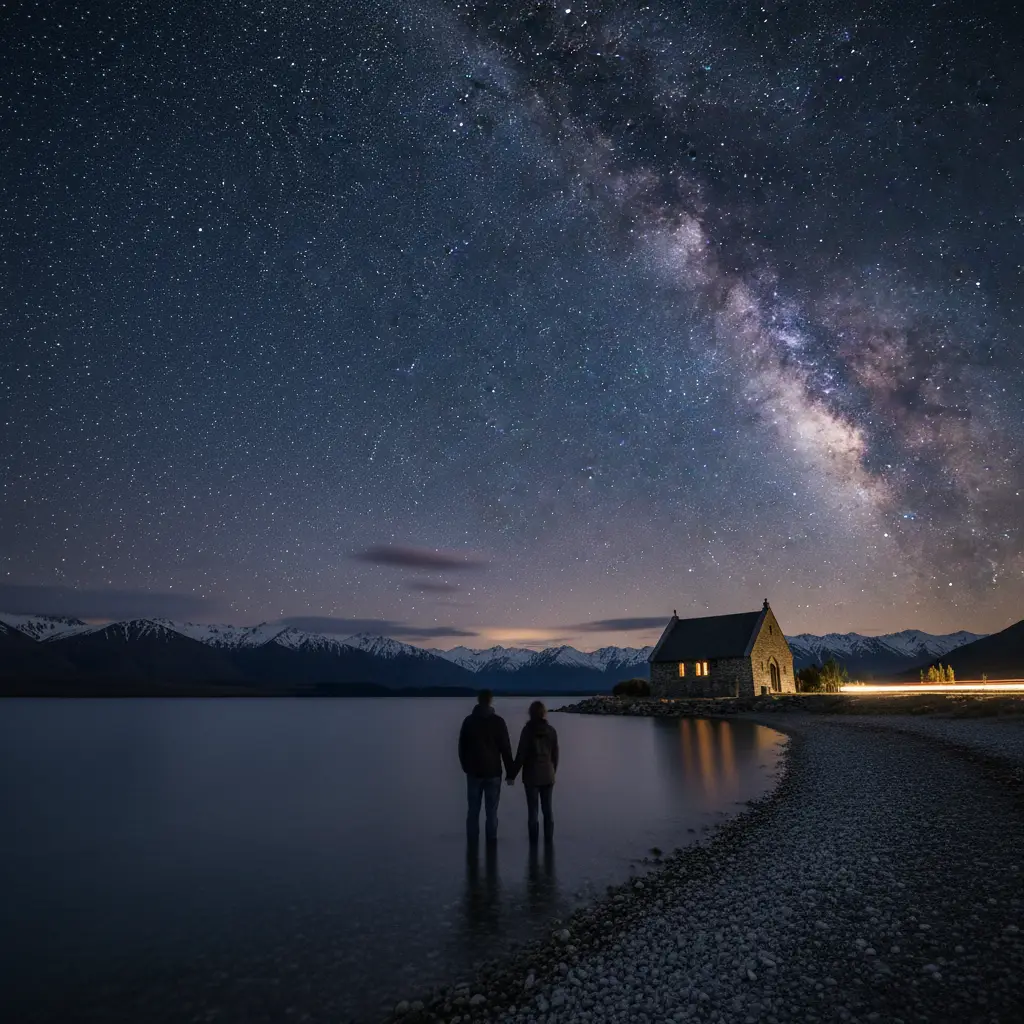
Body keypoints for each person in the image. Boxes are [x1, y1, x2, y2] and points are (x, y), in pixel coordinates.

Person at [458, 690, 514, 844]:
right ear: (491, 701)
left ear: (478, 700)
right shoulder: (498, 722)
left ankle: (472, 846)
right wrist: (511, 773)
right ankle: (491, 844)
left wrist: (465, 766)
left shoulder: (469, 721)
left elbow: (461, 747)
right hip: (493, 772)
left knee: (473, 811)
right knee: (492, 812)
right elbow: (506, 749)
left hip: (474, 773)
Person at [507, 701, 559, 844]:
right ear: (544, 713)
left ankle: (533, 844)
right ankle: (549, 842)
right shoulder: (552, 731)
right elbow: (555, 755)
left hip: (531, 776)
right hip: (548, 775)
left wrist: (511, 775)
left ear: (530, 713)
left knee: (533, 812)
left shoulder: (527, 731)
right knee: (548, 810)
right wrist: (553, 771)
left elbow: (521, 755)